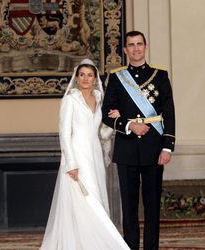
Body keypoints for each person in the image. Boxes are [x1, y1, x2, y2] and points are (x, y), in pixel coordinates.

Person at [40, 58, 130, 250]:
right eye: (82, 75)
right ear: (77, 77)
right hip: (77, 156)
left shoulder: (99, 98)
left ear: (96, 78)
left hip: (95, 154)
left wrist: (116, 119)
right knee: (86, 200)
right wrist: (70, 163)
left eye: (90, 75)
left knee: (97, 196)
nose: (86, 79)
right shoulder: (70, 99)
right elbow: (64, 133)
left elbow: (102, 132)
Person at [102, 31, 176, 250]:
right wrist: (129, 125)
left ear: (145, 47)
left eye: (139, 44)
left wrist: (167, 147)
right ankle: (131, 247)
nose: (135, 49)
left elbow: (169, 113)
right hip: (126, 148)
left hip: (154, 146)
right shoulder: (116, 77)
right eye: (131, 45)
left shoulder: (160, 76)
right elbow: (107, 113)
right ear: (125, 50)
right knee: (129, 205)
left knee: (152, 205)